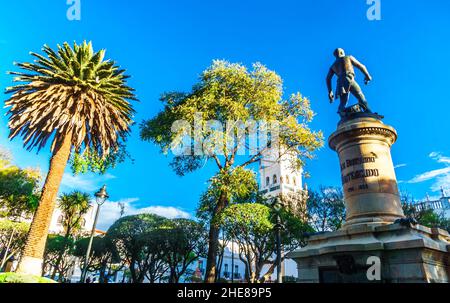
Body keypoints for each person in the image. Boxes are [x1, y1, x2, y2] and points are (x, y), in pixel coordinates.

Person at [326, 48, 373, 118]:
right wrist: (367, 76)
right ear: (342, 53)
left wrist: (330, 91)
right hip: (349, 79)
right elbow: (361, 66)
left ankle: (343, 116)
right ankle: (369, 113)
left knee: (343, 102)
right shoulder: (348, 57)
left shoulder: (333, 66)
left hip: (340, 83)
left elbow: (328, 78)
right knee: (360, 95)